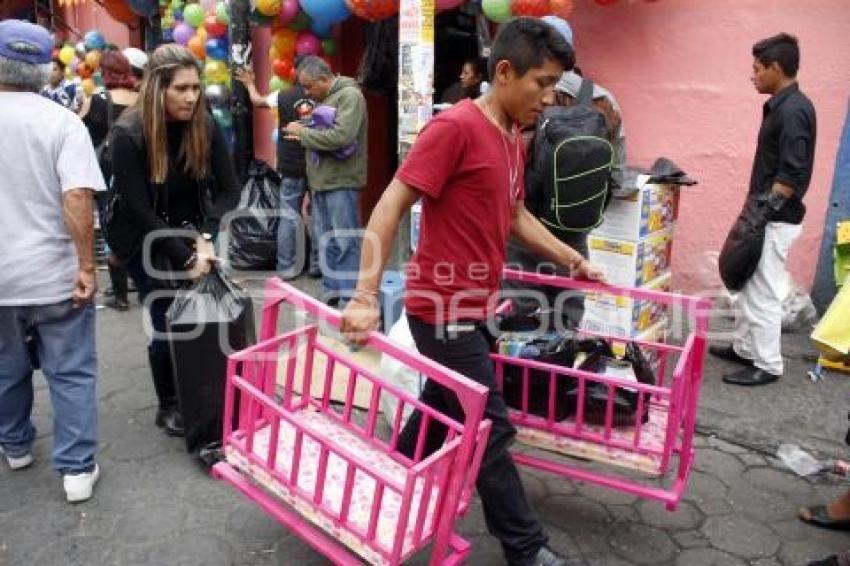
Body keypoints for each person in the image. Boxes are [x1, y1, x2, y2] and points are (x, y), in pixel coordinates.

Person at [341, 18, 604, 566]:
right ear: (504, 72)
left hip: (477, 307)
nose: (550, 97)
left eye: (556, 85)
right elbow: (389, 206)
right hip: (440, 310)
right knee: (488, 427)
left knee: (442, 406)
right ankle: (526, 550)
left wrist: (571, 258)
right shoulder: (456, 128)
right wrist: (365, 296)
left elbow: (513, 214)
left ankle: (385, 487)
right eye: (543, 83)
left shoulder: (511, 135)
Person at [108, 44, 240, 436]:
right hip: (140, 235)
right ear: (156, 88)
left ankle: (200, 380)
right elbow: (137, 209)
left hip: (189, 224)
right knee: (166, 314)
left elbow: (230, 189)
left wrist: (204, 239)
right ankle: (168, 403)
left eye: (196, 87)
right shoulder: (127, 133)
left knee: (198, 307)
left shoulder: (205, 124)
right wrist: (184, 259)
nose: (191, 97)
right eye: (181, 88)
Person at [0, 19, 104, 502]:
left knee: (4, 367)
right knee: (72, 370)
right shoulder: (62, 122)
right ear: (45, 68)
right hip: (52, 276)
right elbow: (78, 196)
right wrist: (87, 266)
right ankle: (77, 470)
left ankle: (16, 445)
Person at [504, 15, 627, 329]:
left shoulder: (524, 94)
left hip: (523, 227)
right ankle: (565, 369)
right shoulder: (603, 100)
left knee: (521, 318)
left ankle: (525, 375)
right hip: (574, 228)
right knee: (567, 316)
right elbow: (616, 175)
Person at [710, 33, 816, 386]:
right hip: (763, 211)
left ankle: (768, 364)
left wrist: (762, 214)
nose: (752, 75)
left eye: (757, 69)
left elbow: (793, 171)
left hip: (774, 217)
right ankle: (745, 348)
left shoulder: (795, 111)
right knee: (747, 284)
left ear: (776, 68)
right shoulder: (781, 106)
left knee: (764, 290)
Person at [284, 55, 368, 307]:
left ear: (324, 79)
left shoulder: (350, 96)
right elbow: (325, 128)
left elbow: (342, 136)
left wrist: (304, 132)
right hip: (322, 182)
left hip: (341, 182)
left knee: (345, 243)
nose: (307, 92)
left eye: (309, 86)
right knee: (326, 241)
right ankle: (331, 292)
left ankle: (348, 299)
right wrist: (303, 126)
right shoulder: (329, 97)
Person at [235, 58, 320, 279]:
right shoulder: (323, 94)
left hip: (290, 164)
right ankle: (317, 266)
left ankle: (286, 267)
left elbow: (256, 101)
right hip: (318, 163)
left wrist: (249, 84)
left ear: (295, 72)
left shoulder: (282, 95)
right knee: (319, 214)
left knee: (289, 214)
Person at [80, 49, 138, 311]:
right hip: (138, 165)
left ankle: (120, 293)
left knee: (110, 217)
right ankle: (138, 277)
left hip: (106, 168)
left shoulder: (98, 99)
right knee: (137, 215)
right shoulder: (140, 98)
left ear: (105, 72)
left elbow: (79, 130)